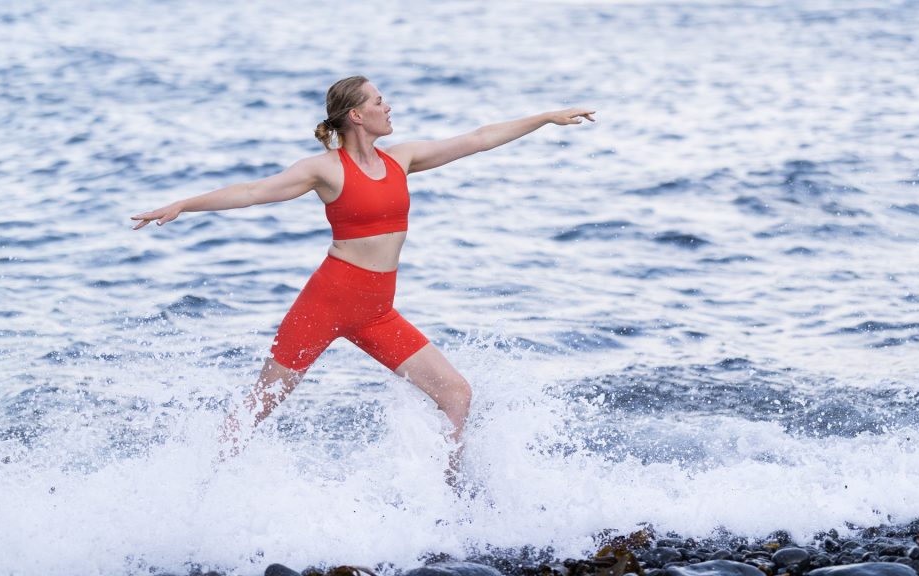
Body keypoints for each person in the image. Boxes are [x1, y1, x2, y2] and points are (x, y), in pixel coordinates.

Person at [131, 75, 595, 479]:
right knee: (261, 404)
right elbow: (253, 191)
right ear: (356, 115)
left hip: (377, 310)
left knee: (456, 394)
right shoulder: (326, 169)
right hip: (327, 302)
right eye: (378, 101)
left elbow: (477, 138)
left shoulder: (403, 158)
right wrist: (184, 205)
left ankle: (449, 500)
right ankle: (197, 484)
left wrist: (547, 117)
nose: (387, 107)